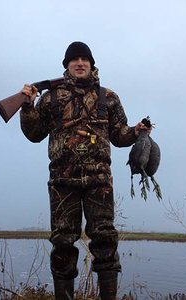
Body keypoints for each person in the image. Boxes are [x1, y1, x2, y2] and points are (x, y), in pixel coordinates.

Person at [20, 41, 149, 300]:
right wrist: (27, 105)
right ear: (67, 65)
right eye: (74, 59)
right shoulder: (51, 97)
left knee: (105, 240)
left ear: (91, 64)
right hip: (62, 182)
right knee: (63, 243)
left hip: (99, 182)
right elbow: (34, 134)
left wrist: (136, 131)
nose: (80, 63)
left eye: (84, 59)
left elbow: (119, 135)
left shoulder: (108, 97)